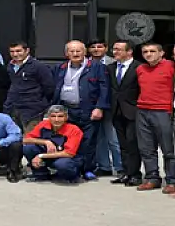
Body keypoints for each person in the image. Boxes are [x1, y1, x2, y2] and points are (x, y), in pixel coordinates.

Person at [51, 40, 109, 180]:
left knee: (88, 142)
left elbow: (104, 88)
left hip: (88, 110)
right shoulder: (60, 67)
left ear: (84, 52)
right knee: (67, 140)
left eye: (78, 51)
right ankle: (71, 169)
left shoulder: (96, 67)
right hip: (66, 110)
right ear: (66, 53)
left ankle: (87, 169)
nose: (75, 53)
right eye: (72, 51)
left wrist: (99, 107)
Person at [134, 42, 175, 194]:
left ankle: (172, 180)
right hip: (142, 110)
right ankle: (152, 178)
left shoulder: (170, 66)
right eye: (145, 52)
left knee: (168, 149)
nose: (148, 54)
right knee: (146, 148)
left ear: (161, 53)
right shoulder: (140, 69)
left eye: (152, 51)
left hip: (163, 111)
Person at [107, 40, 142, 186]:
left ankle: (135, 175)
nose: (115, 52)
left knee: (132, 144)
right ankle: (125, 173)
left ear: (129, 52)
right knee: (122, 144)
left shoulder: (139, 67)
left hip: (133, 111)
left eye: (119, 49)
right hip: (116, 111)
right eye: (114, 49)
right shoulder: (110, 68)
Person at [23, 105, 84, 182]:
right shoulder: (43, 124)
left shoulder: (74, 130)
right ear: (49, 117)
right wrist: (45, 142)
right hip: (50, 156)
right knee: (28, 148)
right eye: (53, 116)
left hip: (68, 159)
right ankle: (41, 175)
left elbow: (69, 153)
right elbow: (25, 140)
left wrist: (40, 156)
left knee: (62, 164)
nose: (56, 119)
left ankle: (72, 176)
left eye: (60, 116)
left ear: (66, 117)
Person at [4, 41, 55, 133]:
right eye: (12, 51)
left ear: (27, 51)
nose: (15, 54)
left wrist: (39, 101)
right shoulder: (10, 66)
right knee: (14, 137)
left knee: (30, 138)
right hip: (14, 108)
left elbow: (49, 87)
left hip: (32, 110)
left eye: (18, 51)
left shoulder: (38, 66)